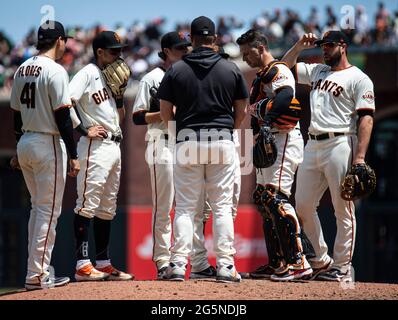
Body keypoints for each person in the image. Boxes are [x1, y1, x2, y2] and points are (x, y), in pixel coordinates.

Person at [158, 16, 248, 283]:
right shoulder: (230, 69)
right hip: (221, 139)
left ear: (191, 39)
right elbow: (242, 109)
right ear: (215, 39)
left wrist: (179, 135)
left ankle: (176, 265)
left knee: (185, 208)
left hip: (187, 139)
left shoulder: (177, 69)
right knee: (221, 207)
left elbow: (165, 111)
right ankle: (225, 266)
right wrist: (228, 130)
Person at [282, 31, 375, 281]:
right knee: (302, 205)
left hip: (341, 142)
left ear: (342, 47)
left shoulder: (359, 78)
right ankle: (322, 260)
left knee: (342, 208)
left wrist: (360, 158)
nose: (324, 49)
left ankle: (343, 267)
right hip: (312, 143)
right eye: (323, 45)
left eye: (330, 45)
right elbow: (283, 68)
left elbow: (366, 118)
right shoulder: (318, 71)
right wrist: (300, 45)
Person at [132, 31, 217, 280]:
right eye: (180, 48)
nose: (186, 51)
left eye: (187, 47)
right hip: (162, 143)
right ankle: (162, 261)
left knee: (194, 207)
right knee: (165, 206)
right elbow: (137, 117)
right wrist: (166, 112)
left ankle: (197, 262)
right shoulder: (152, 78)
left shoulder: (188, 76)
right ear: (166, 51)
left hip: (188, 145)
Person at [237, 29, 313, 281]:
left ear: (260, 48)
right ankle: (278, 263)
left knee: (274, 197)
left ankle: (299, 261)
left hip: (284, 137)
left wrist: (267, 121)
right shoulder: (263, 75)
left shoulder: (278, 71)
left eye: (247, 53)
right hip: (271, 140)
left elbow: (287, 98)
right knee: (262, 198)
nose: (245, 58)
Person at [9, 20, 80, 290]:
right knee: (48, 212)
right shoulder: (55, 70)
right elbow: (63, 116)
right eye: (65, 40)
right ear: (59, 40)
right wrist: (73, 153)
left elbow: (15, 116)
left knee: (38, 210)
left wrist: (18, 148)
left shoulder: (22, 68)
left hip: (26, 140)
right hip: (47, 142)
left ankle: (34, 271)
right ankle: (37, 276)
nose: (67, 45)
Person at [70, 30, 133, 281]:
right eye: (114, 51)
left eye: (120, 51)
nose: (119, 55)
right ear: (99, 52)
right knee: (87, 204)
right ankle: (82, 264)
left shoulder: (110, 77)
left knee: (107, 209)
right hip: (95, 147)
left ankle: (104, 263)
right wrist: (82, 128)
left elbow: (119, 119)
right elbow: (66, 101)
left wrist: (119, 98)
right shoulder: (88, 72)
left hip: (114, 146)